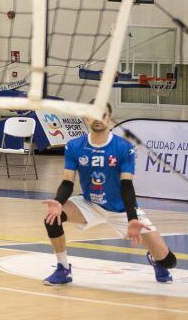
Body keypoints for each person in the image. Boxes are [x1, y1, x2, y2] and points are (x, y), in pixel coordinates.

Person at [42, 103, 176, 286]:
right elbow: (67, 181)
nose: (98, 119)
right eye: (93, 115)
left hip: (120, 208)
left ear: (109, 120)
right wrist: (58, 201)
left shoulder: (123, 147)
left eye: (103, 115)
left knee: (169, 261)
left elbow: (127, 186)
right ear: (86, 118)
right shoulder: (74, 146)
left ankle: (155, 259)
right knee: (52, 217)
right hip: (90, 204)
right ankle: (63, 268)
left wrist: (131, 218)